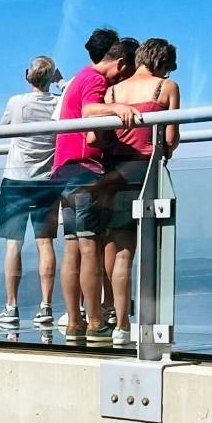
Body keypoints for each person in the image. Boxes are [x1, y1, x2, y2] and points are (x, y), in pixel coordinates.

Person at [53, 28, 139, 344]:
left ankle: (75, 321)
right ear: (121, 64)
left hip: (63, 171)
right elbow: (90, 114)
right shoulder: (96, 80)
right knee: (90, 248)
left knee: (73, 247)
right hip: (84, 171)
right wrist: (118, 109)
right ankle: (95, 321)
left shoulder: (78, 78)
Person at [103, 38, 181, 347]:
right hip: (148, 173)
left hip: (114, 174)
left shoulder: (112, 92)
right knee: (154, 252)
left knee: (121, 252)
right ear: (163, 61)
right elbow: (171, 138)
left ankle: (121, 325)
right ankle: (152, 325)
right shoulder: (167, 87)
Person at [0, 56, 65, 330]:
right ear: (51, 77)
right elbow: (69, 95)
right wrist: (60, 81)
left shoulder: (16, 102)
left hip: (16, 178)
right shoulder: (59, 104)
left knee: (13, 244)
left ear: (28, 76)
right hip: (47, 180)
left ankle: (11, 306)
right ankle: (45, 306)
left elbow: (4, 130)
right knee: (44, 243)